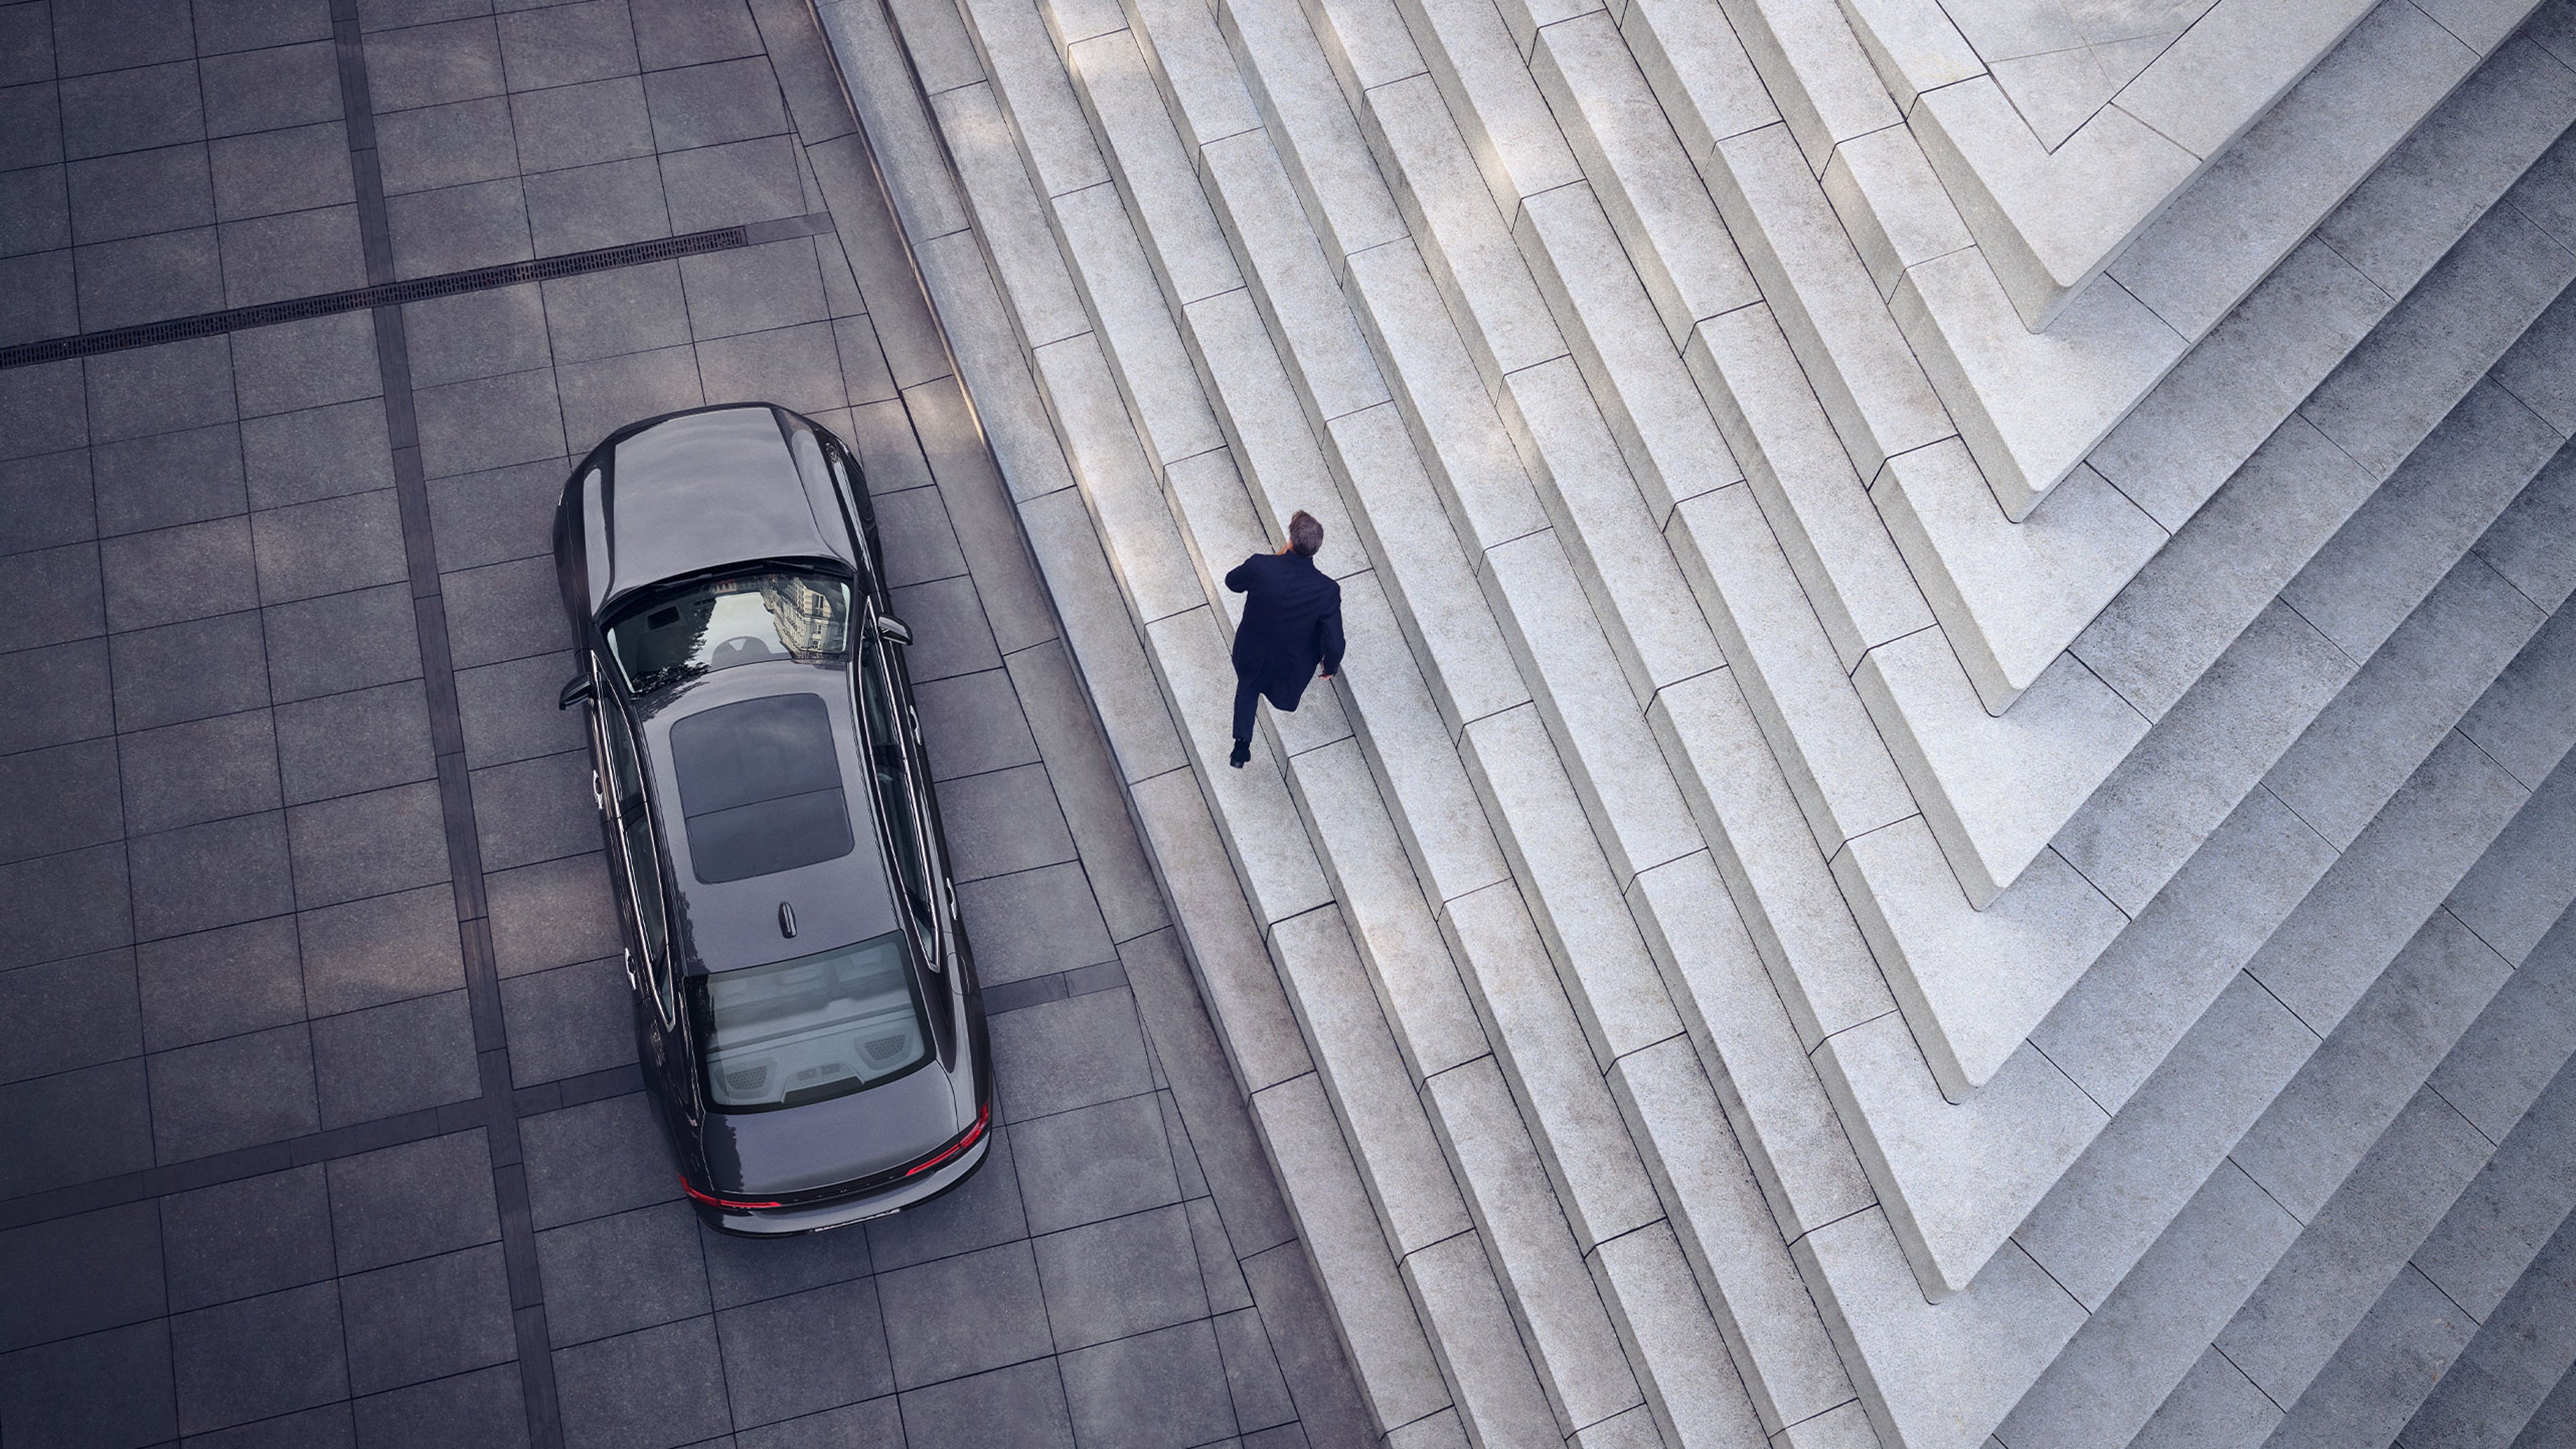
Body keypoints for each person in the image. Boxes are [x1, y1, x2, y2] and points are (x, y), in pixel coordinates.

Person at [1224, 509, 1343, 768]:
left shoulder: (1261, 566)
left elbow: (1232, 582)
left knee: (1248, 684)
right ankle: (1242, 743)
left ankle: (1241, 745)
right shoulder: (1327, 591)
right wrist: (1330, 666)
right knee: (1254, 682)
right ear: (1317, 547)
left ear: (1290, 539)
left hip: (1250, 649)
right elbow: (1335, 640)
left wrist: (1277, 557)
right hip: (1288, 663)